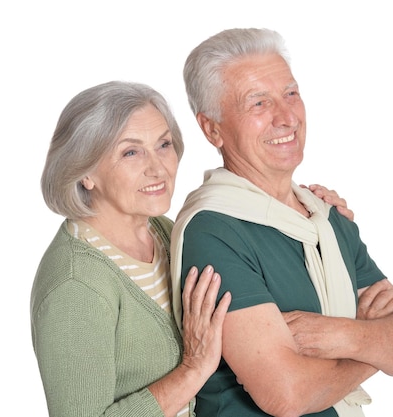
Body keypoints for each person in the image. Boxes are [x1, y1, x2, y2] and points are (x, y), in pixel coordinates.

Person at [30, 80, 354, 417]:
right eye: (130, 152)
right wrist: (193, 369)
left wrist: (316, 219)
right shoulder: (76, 285)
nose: (158, 168)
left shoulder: (166, 234)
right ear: (85, 173)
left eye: (164, 144)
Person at [170, 28, 393, 417]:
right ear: (212, 129)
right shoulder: (214, 231)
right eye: (258, 103)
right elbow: (287, 394)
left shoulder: (326, 219)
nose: (286, 117)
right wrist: (380, 349)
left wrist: (341, 335)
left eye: (291, 94)